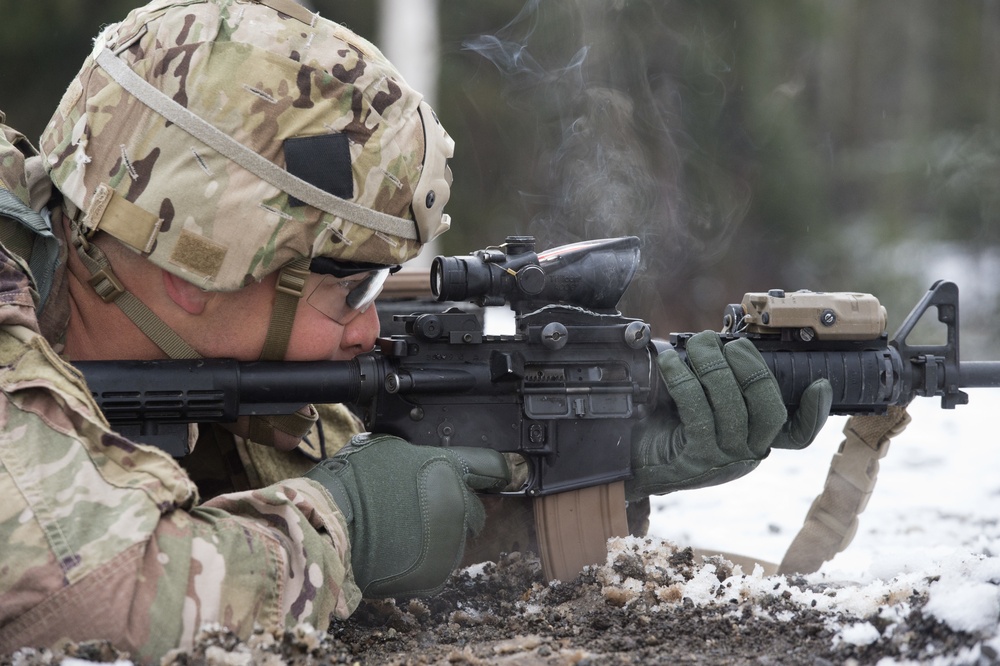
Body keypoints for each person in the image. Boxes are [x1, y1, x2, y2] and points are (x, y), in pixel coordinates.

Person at [0, 0, 833, 661]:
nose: (369, 329)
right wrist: (344, 524)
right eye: (351, 287)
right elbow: (95, 606)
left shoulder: (194, 347)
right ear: (197, 264)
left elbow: (352, 515)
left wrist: (588, 460)